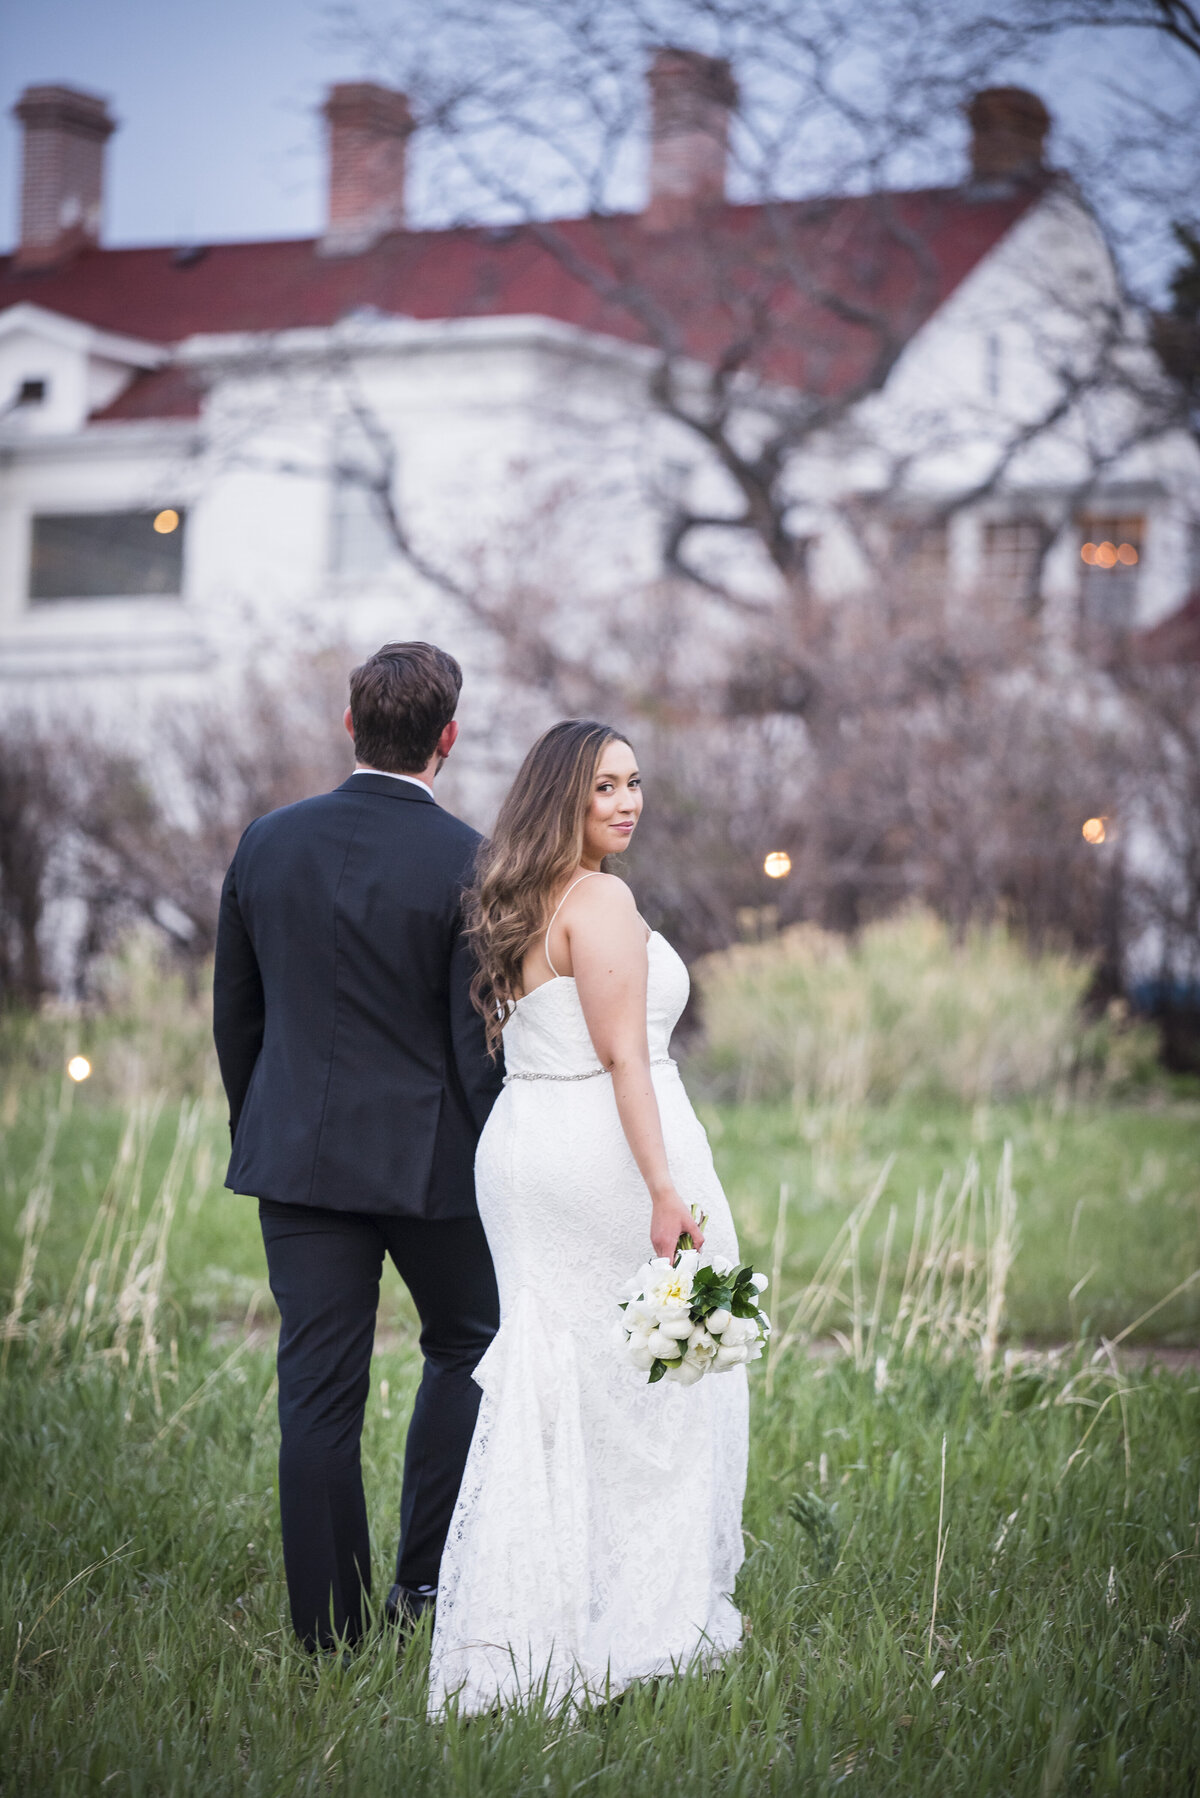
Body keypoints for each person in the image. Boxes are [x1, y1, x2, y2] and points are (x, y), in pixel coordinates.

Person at [428, 720, 748, 1716]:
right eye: (605, 785)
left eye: (635, 782)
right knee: (646, 1377)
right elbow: (624, 1060)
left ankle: (532, 1610)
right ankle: (629, 1614)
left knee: (556, 1369)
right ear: (563, 795)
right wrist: (665, 1190)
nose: (627, 801)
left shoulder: (522, 895)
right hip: (601, 1152)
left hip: (529, 1142)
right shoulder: (600, 898)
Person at [212, 642, 502, 1654]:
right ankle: (424, 1585)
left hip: (293, 1159)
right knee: (474, 1343)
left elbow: (235, 1020)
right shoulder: (471, 859)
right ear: (448, 738)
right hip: (432, 1166)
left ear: (350, 725)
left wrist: (270, 1123)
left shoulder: (265, 843)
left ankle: (329, 1636)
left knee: (318, 1393)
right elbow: (476, 1042)